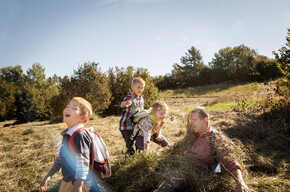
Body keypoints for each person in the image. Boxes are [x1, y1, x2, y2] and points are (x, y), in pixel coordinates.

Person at [158, 107, 254, 192]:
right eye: (190, 120)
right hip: (186, 171)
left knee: (173, 179)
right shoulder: (193, 136)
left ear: (205, 120)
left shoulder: (216, 139)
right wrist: (164, 149)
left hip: (202, 178)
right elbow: (178, 145)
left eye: (194, 120)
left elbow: (231, 162)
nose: (191, 123)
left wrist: (240, 183)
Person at [40, 97, 107, 192]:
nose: (68, 108)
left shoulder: (80, 135)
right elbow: (61, 157)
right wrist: (49, 175)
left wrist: (78, 185)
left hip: (76, 183)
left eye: (74, 108)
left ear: (83, 118)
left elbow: (83, 161)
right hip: (68, 181)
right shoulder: (67, 134)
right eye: (68, 106)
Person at [119, 77, 145, 154]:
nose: (140, 90)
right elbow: (121, 104)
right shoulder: (129, 97)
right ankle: (130, 158)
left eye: (142, 88)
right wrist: (124, 104)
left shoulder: (141, 99)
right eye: (138, 87)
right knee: (130, 144)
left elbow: (141, 110)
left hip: (136, 125)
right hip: (126, 125)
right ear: (132, 87)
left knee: (137, 142)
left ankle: (134, 156)